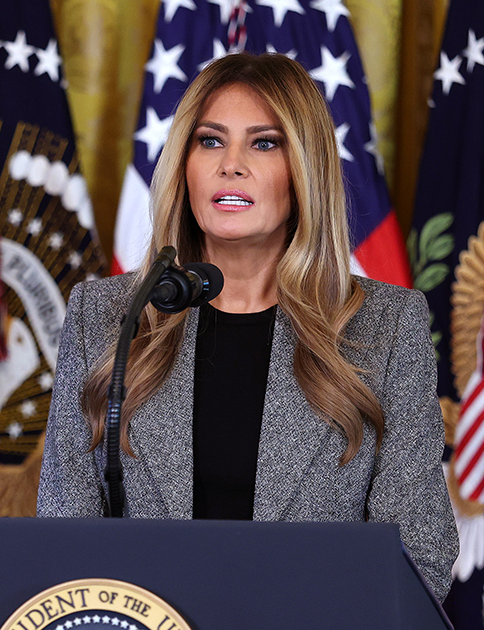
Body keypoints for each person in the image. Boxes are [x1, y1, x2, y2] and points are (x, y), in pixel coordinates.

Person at [36, 52, 457, 599]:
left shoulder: (386, 326)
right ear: (183, 164)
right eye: (210, 140)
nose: (230, 164)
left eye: (264, 143)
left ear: (304, 170)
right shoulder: (105, 316)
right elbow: (62, 544)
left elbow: (419, 556)